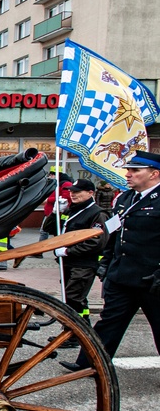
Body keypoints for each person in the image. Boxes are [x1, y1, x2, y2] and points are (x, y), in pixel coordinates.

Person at [61, 152, 160, 372]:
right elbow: (114, 234)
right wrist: (106, 264)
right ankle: (89, 364)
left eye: (135, 171)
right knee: (108, 324)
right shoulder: (125, 199)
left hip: (152, 279)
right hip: (122, 276)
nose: (129, 174)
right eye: (129, 170)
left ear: (154, 174)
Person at [43, 179, 108, 343]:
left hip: (83, 264)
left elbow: (97, 242)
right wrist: (55, 213)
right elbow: (49, 228)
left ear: (90, 193)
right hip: (68, 263)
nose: (73, 194)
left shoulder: (97, 213)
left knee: (72, 298)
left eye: (78, 192)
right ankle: (82, 332)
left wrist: (68, 251)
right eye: (72, 191)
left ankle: (72, 335)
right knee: (76, 301)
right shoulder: (72, 210)